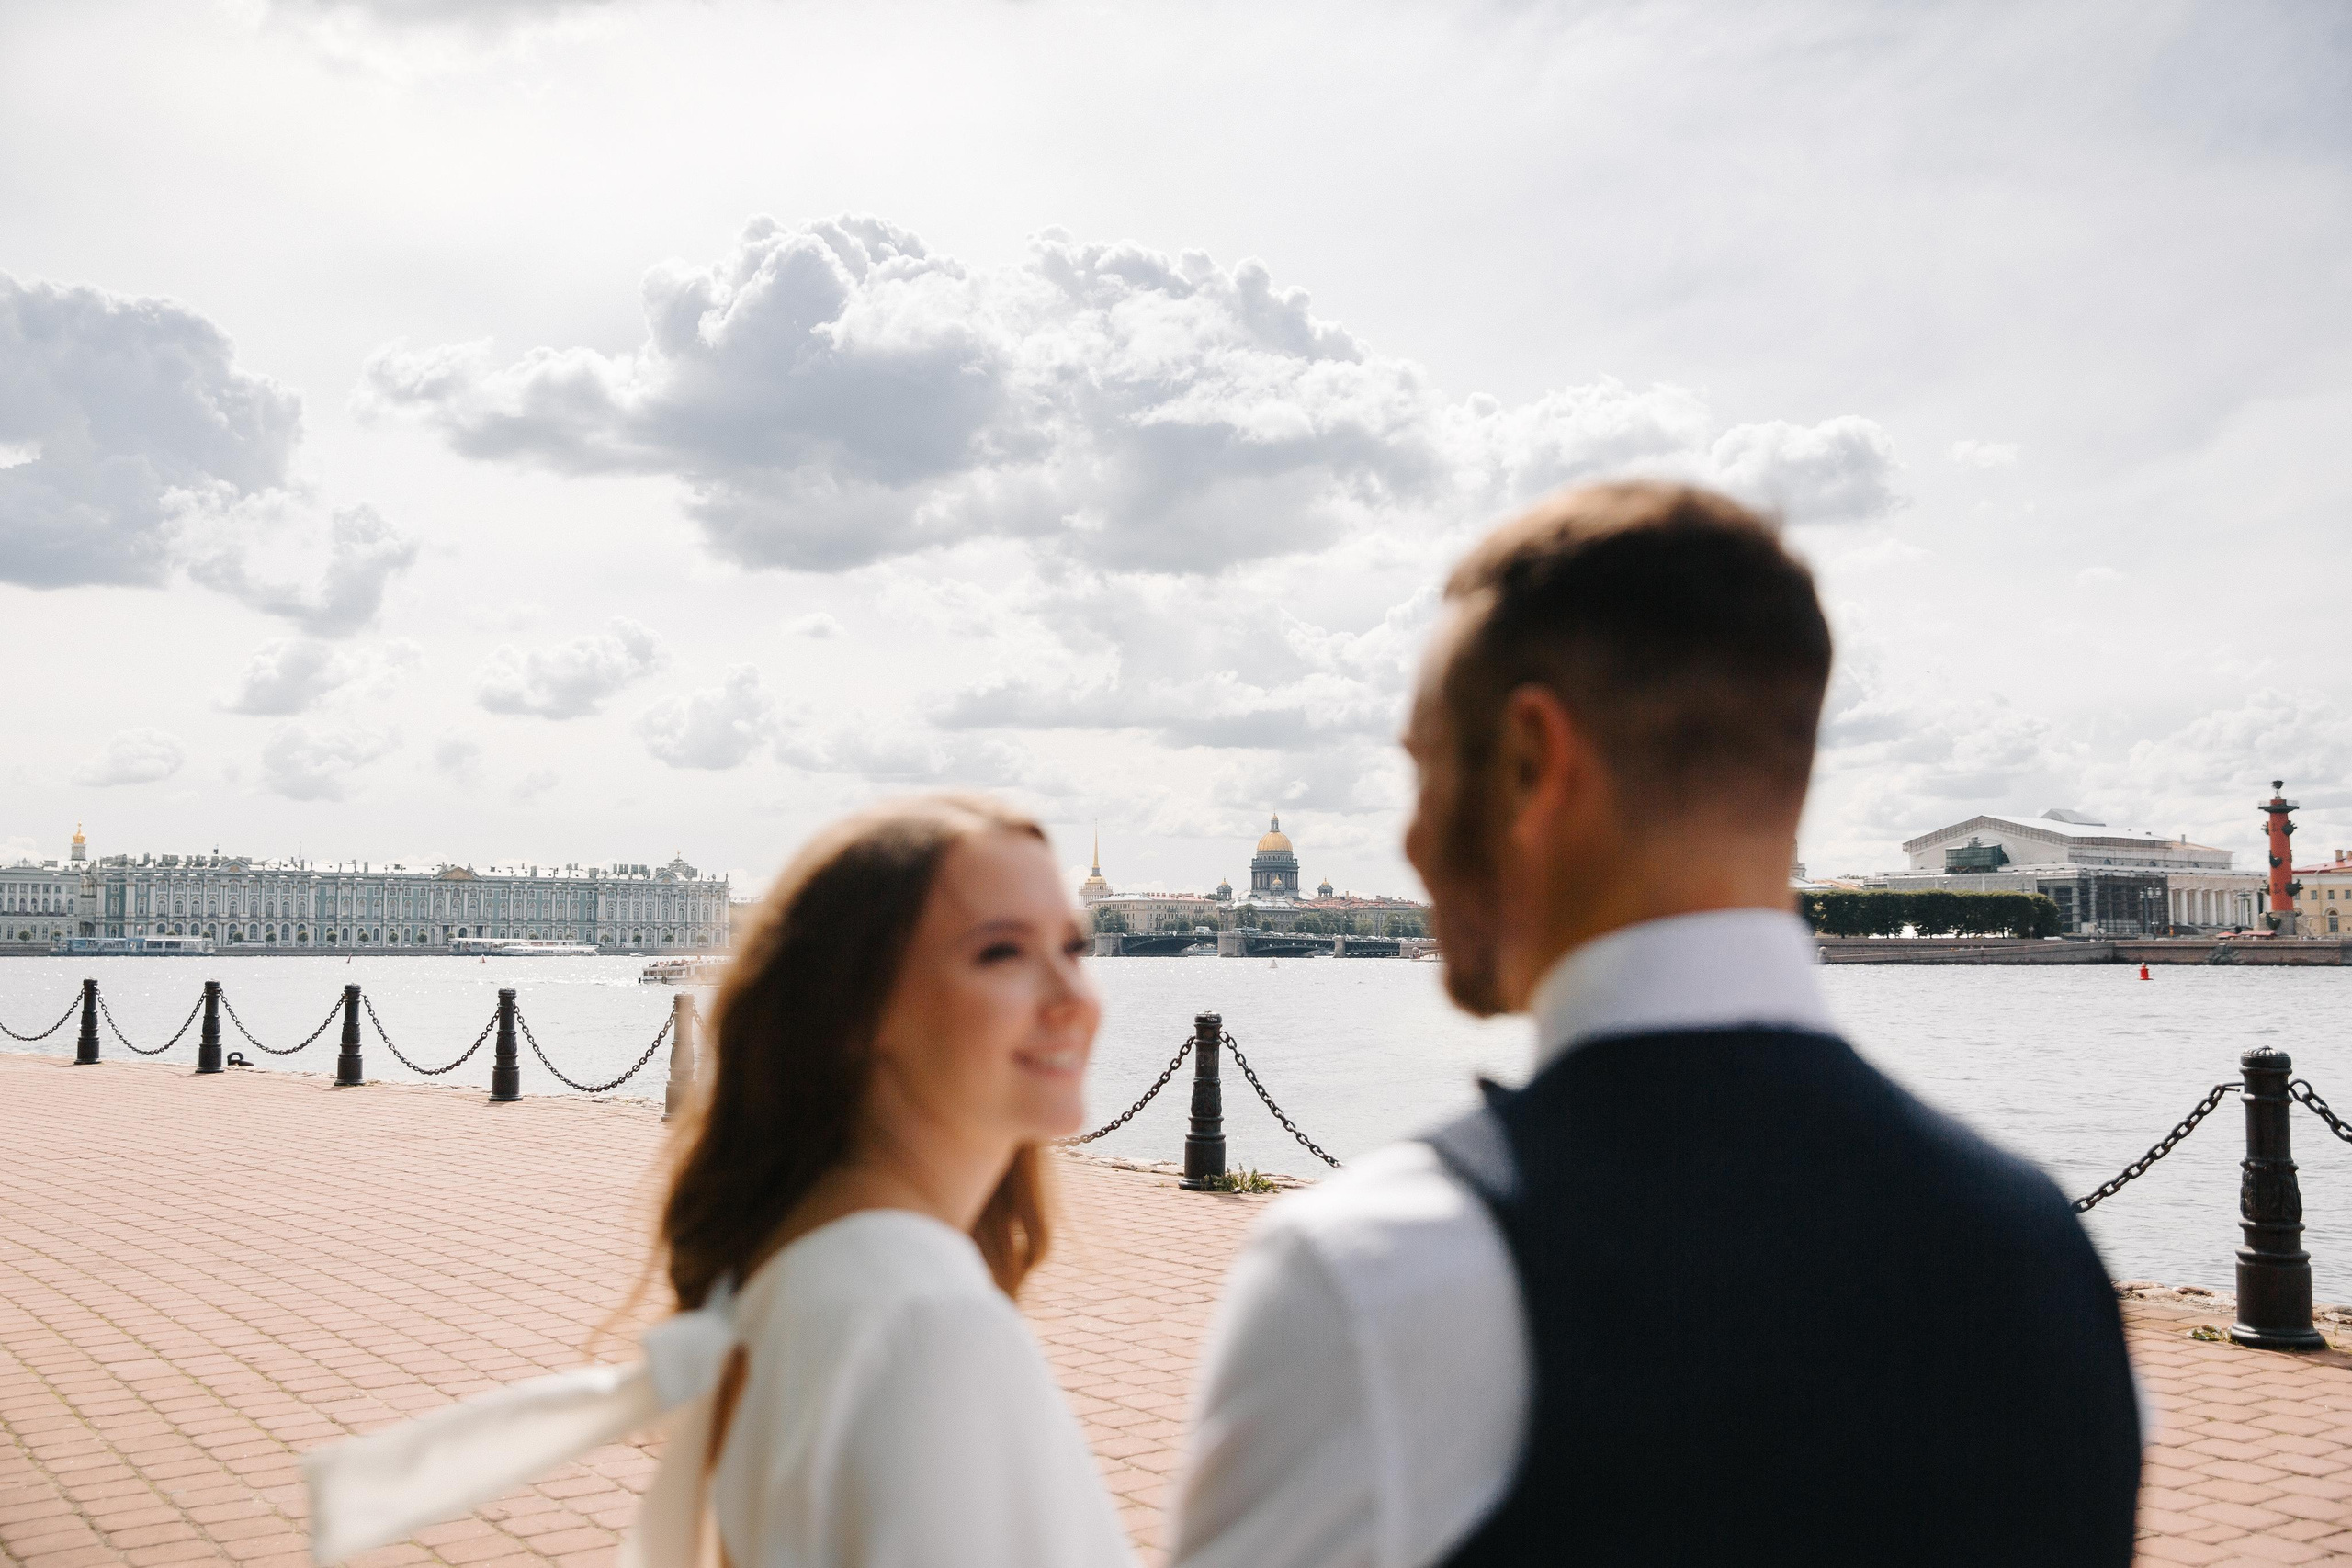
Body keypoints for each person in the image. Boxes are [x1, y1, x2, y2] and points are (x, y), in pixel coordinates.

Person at [1169, 482, 2142, 1568]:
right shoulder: (2047, 1256)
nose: (1408, 839)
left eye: (1427, 765)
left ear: (1534, 763)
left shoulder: (1366, 1280)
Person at [307, 794, 1136, 1568]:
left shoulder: (803, 1272)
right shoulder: (926, 1322)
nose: (1074, 996)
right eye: (1001, 951)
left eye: (1075, 946)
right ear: (854, 1010)